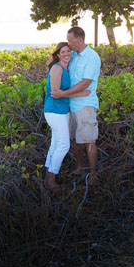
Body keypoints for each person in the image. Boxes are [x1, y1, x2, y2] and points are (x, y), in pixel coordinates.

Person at [42, 42, 89, 190]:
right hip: (54, 111)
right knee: (63, 145)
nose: (67, 54)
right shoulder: (57, 68)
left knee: (56, 143)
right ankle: (51, 178)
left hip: (61, 111)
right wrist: (79, 93)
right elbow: (55, 93)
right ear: (57, 54)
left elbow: (63, 92)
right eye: (63, 52)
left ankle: (48, 176)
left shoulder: (65, 68)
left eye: (68, 51)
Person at [64, 26, 102, 182]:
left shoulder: (92, 57)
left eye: (70, 40)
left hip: (85, 105)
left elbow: (85, 82)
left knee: (89, 140)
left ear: (79, 40)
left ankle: (93, 175)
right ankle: (80, 168)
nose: (68, 43)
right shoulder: (72, 55)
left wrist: (63, 94)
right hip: (71, 105)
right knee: (75, 140)